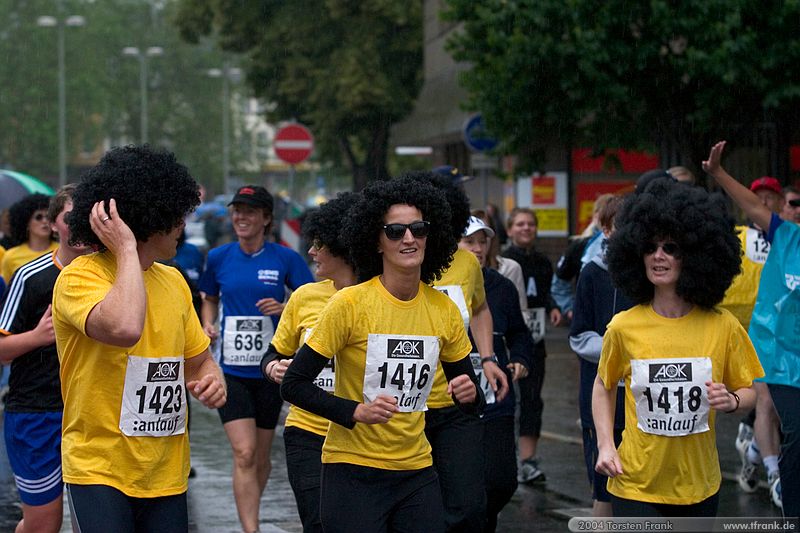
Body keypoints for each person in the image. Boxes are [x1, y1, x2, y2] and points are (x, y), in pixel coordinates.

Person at [281, 175, 484, 533]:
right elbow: (294, 385)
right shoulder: (350, 304)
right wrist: (355, 411)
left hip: (416, 471)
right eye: (395, 231)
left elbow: (470, 399)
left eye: (418, 229)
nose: (409, 238)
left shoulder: (443, 310)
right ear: (376, 241)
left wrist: (469, 395)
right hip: (352, 471)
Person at [51, 145, 227, 532]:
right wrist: (127, 248)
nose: (182, 226)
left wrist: (211, 378)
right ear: (148, 219)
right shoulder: (79, 278)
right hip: (99, 469)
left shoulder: (175, 282)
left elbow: (197, 361)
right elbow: (124, 327)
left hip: (165, 470)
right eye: (175, 217)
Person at [593, 176, 763, 517]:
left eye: (671, 248)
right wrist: (606, 445)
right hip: (635, 482)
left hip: (699, 485)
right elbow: (603, 385)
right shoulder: (624, 326)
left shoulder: (721, 325)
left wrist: (729, 400)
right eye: (650, 247)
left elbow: (751, 391)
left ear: (694, 256)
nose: (658, 256)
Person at [198, 184, 314, 533]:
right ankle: (251, 528)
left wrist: (284, 306)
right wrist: (208, 324)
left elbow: (310, 299)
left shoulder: (285, 258)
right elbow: (210, 298)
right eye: (237, 210)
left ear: (266, 218)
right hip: (230, 368)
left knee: (261, 457)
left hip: (269, 369)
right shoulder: (219, 257)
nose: (240, 217)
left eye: (249, 211)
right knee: (245, 453)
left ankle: (253, 509)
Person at [703, 141, 800, 518]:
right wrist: (718, 173)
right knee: (793, 429)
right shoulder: (786, 236)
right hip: (781, 358)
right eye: (794, 204)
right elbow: (754, 206)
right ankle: (790, 507)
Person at [260, 192, 359, 533]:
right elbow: (274, 352)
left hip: (363, 436)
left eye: (319, 243)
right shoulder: (305, 296)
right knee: (319, 523)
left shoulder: (380, 295)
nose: (312, 252)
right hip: (308, 432)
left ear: (343, 244)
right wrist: (273, 367)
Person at [422, 169, 508, 533]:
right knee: (423, 502)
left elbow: (480, 308)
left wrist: (487, 358)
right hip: (407, 405)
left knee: (470, 505)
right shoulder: (402, 259)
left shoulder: (467, 263)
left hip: (458, 397)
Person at [0, 185, 89, 533]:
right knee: (43, 524)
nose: (80, 225)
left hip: (92, 414)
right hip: (37, 413)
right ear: (54, 225)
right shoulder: (31, 276)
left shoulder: (113, 273)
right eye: (70, 218)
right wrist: (37, 337)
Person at [459, 215, 532, 532]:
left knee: (502, 481)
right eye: (469, 241)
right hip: (452, 402)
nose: (477, 248)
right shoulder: (435, 284)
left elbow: (519, 331)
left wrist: (519, 358)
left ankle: (480, 519)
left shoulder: (501, 285)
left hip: (496, 397)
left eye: (482, 241)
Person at [720, 176, 785, 506]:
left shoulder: (788, 238)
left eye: (770, 196)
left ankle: (756, 450)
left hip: (786, 335)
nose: (764, 202)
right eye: (757, 196)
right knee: (767, 403)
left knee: (779, 409)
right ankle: (774, 472)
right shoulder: (738, 238)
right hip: (751, 333)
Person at [568, 195, 633, 517]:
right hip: (602, 390)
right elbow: (579, 336)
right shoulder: (593, 272)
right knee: (605, 484)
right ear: (605, 229)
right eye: (620, 226)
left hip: (641, 395)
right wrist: (618, 350)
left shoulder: (650, 273)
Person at [501, 207, 562, 484]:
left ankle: (528, 459)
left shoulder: (541, 261)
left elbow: (545, 293)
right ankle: (505, 456)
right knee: (507, 399)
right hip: (510, 341)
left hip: (535, 341)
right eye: (520, 224)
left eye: (531, 224)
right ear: (510, 229)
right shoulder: (504, 262)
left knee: (533, 400)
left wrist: (553, 308)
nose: (526, 229)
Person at [1, 194, 58, 283]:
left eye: (48, 217)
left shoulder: (61, 251)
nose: (45, 221)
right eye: (38, 217)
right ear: (26, 222)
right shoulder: (10, 257)